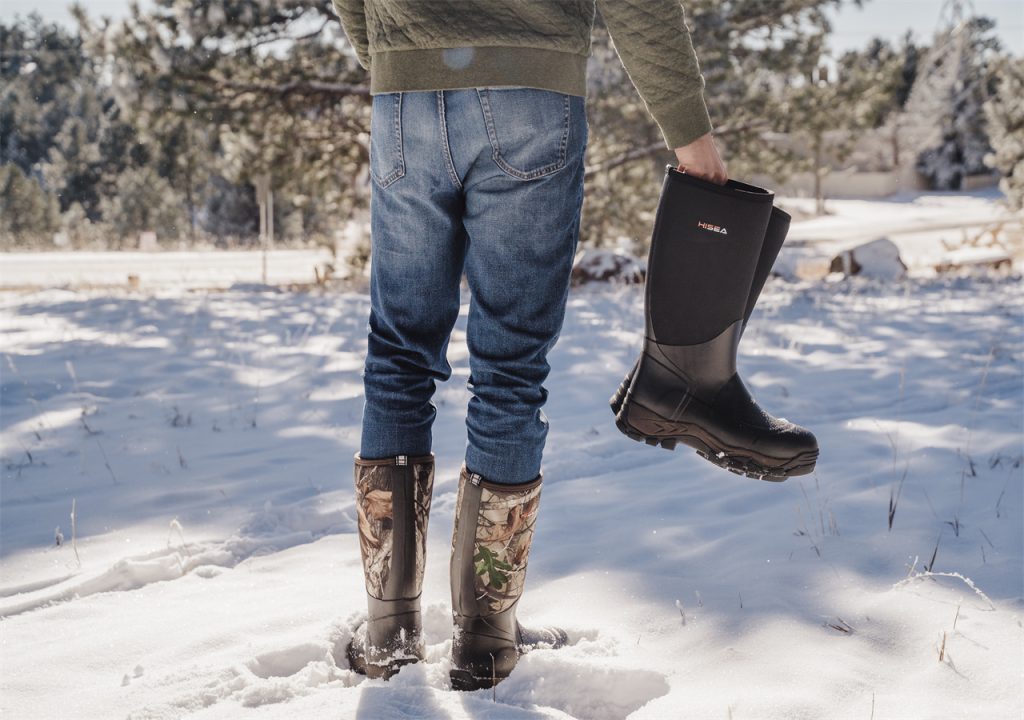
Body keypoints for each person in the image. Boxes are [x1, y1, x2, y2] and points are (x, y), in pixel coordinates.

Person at [332, 0, 726, 690]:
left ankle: (389, 632)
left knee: (398, 354)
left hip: (407, 97)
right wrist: (689, 133)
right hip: (530, 90)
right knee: (509, 364)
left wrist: (395, 55)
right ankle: (486, 638)